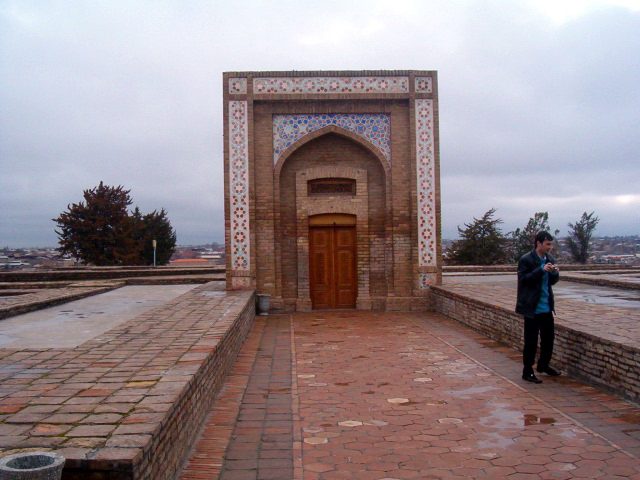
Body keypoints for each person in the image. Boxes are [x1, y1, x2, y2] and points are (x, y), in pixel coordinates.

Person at [516, 231, 561, 383]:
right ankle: (527, 370)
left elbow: (551, 282)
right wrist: (541, 270)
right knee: (531, 341)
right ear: (538, 243)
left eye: (551, 244)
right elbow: (524, 280)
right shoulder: (526, 259)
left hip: (546, 307)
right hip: (532, 308)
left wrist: (555, 273)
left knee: (548, 340)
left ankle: (543, 365)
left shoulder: (550, 259)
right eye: (547, 244)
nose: (550, 247)